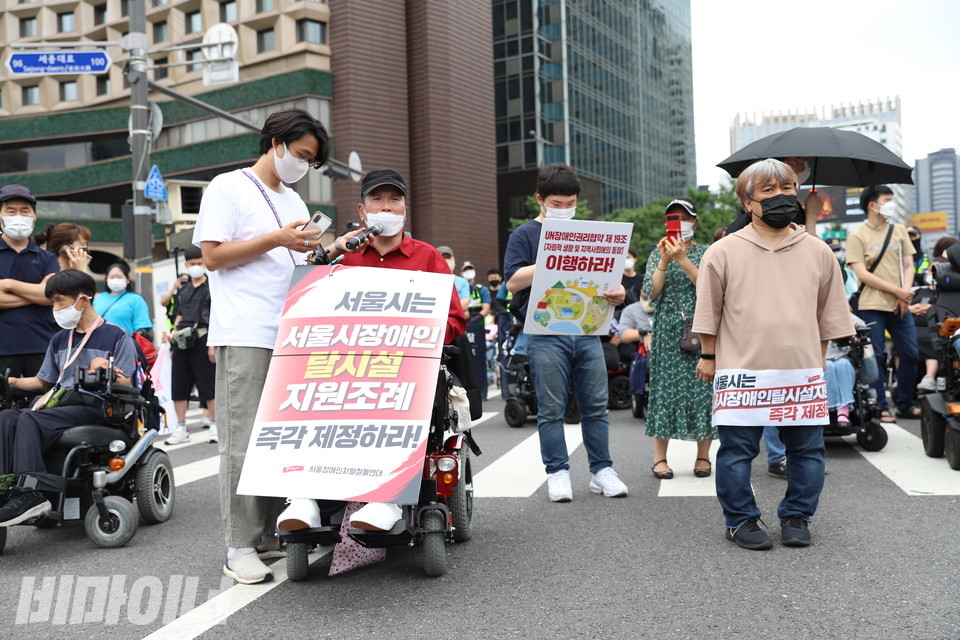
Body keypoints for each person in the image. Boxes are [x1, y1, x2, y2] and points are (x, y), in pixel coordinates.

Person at [275, 168, 467, 533]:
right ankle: (303, 498)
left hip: (406, 368)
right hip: (345, 367)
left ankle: (387, 498)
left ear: (405, 209)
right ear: (362, 212)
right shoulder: (344, 258)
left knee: (397, 403)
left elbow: (455, 320)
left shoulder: (427, 258)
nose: (387, 207)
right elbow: (304, 303)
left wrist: (418, 334)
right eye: (377, 200)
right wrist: (333, 250)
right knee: (308, 396)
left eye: (395, 200)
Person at [193, 107, 335, 585]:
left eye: (311, 160)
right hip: (247, 330)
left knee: (283, 435)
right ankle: (239, 546)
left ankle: (275, 532)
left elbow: (295, 262)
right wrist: (275, 238)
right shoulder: (227, 187)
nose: (303, 164)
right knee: (244, 438)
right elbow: (211, 256)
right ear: (273, 141)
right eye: (300, 154)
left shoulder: (294, 202)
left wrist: (328, 251)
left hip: (291, 331)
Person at [693, 158, 852, 550]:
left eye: (787, 189)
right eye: (769, 191)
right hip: (740, 370)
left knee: (807, 451)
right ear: (748, 202)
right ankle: (740, 519)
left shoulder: (818, 252)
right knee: (736, 451)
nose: (781, 197)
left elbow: (829, 315)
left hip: (800, 371)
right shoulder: (723, 251)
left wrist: (817, 364)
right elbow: (709, 308)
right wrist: (709, 356)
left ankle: (797, 515)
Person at [503, 162, 628, 502]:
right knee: (550, 407)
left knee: (596, 405)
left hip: (588, 329)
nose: (563, 210)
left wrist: (618, 294)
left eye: (569, 203)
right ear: (540, 200)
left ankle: (601, 470)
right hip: (545, 332)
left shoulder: (589, 231)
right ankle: (557, 472)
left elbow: (610, 282)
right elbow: (512, 281)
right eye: (556, 204)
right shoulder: (525, 235)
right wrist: (551, 257)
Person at [0, 270, 137, 527]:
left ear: (83, 300)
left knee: (29, 418)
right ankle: (4, 490)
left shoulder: (116, 336)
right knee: (6, 418)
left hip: (96, 405)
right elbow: (44, 382)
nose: (55, 308)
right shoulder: (60, 339)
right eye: (52, 302)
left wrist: (104, 368)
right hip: (61, 403)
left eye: (60, 301)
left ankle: (30, 494)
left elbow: (127, 383)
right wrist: (12, 382)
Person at [641, 198, 715, 479]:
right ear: (665, 224)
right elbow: (652, 293)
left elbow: (708, 288)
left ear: (694, 222)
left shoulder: (708, 252)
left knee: (702, 392)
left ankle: (703, 457)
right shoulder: (656, 253)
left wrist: (683, 259)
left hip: (701, 329)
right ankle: (660, 459)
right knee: (663, 392)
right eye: (673, 218)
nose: (680, 223)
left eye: (685, 218)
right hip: (666, 331)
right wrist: (664, 259)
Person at [846, 185, 919, 421]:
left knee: (910, 353)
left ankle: (905, 403)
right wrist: (897, 290)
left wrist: (904, 293)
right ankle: (880, 406)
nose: (891, 204)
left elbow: (909, 265)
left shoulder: (899, 230)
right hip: (871, 304)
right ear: (872, 205)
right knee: (876, 355)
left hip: (900, 304)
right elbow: (862, 274)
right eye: (887, 200)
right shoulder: (858, 235)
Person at [0, 185, 60, 378]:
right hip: (3, 348)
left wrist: (8, 285)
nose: (18, 216)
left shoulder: (47, 258)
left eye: (24, 211)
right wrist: (39, 294)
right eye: (11, 210)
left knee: (42, 405)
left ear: (34, 216)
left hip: (41, 345)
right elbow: (45, 294)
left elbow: (53, 295)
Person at [163, 246, 217, 445]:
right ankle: (181, 427)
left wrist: (212, 345)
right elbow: (178, 315)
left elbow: (216, 318)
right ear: (186, 265)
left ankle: (215, 425)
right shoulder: (183, 290)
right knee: (179, 386)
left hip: (203, 338)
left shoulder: (212, 287)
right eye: (193, 264)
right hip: (181, 341)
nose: (196, 267)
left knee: (208, 386)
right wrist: (172, 338)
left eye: (200, 263)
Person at [93, 262, 153, 337]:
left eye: (119, 277)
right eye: (112, 277)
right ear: (106, 280)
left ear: (128, 279)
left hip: (125, 344)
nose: (115, 279)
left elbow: (142, 327)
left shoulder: (136, 299)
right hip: (98, 344)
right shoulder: (98, 298)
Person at [461, 260, 491, 400]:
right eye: (465, 269)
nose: (468, 272)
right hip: (463, 324)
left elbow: (486, 308)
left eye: (470, 269)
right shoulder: (459, 288)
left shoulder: (481, 289)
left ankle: (482, 393)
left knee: (479, 359)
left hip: (477, 325)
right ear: (461, 272)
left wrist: (477, 316)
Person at [436, 246, 471, 316]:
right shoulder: (431, 280)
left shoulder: (462, 282)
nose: (445, 260)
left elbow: (464, 304)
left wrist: (441, 310)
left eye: (448, 258)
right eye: (442, 258)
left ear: (453, 259)